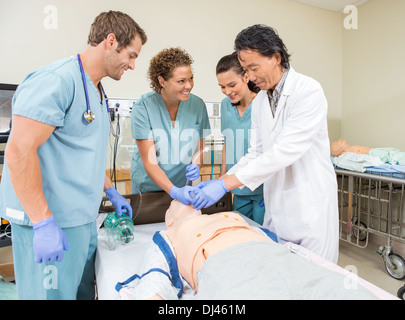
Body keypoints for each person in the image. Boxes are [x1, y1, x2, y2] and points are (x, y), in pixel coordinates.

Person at [0, 11, 147, 299]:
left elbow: (83, 154)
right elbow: (19, 152)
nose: (131, 65)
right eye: (131, 55)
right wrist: (43, 223)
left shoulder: (96, 90)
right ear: (111, 40)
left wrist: (111, 191)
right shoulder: (56, 81)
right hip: (50, 221)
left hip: (80, 220)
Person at [191, 24, 339, 263]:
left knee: (314, 281)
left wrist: (225, 184)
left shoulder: (308, 91)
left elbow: (284, 152)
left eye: (253, 68)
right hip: (278, 207)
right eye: (246, 70)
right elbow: (256, 152)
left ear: (276, 57)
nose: (249, 76)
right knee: (281, 276)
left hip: (310, 207)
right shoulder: (261, 101)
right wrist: (220, 181)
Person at [116, 200, 376, 300]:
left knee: (342, 290)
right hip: (227, 268)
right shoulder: (168, 233)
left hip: (277, 257)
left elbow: (279, 244)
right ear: (169, 218)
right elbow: (155, 272)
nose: (188, 200)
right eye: (177, 203)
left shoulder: (233, 216)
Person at [131, 47, 210, 205]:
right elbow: (149, 161)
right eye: (181, 81)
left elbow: (199, 148)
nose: (188, 86)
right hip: (149, 188)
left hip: (183, 187)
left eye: (191, 79)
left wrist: (196, 164)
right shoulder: (143, 107)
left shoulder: (198, 105)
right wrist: (173, 191)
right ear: (162, 81)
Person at [216, 52, 265, 224]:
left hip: (263, 189)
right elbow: (226, 143)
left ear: (246, 77)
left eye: (231, 84)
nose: (227, 91)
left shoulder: (262, 103)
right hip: (236, 188)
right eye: (222, 86)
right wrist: (222, 178)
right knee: (240, 234)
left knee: (263, 238)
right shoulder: (225, 105)